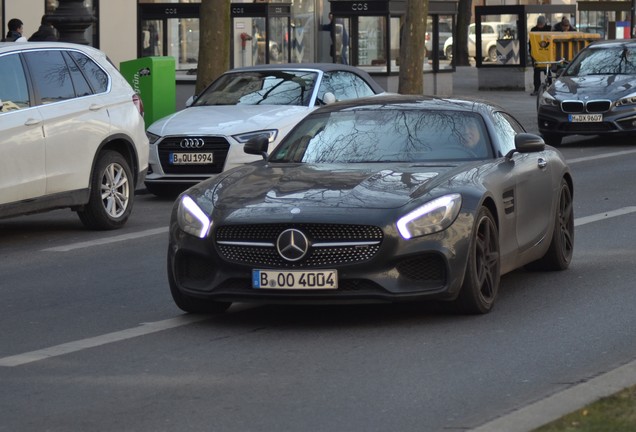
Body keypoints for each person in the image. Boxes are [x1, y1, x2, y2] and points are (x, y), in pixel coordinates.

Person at [529, 15, 552, 96]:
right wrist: (531, 55)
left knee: (548, 72)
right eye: (539, 24)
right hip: (537, 56)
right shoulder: (533, 30)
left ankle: (550, 88)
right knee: (536, 73)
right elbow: (531, 43)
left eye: (541, 24)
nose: (540, 26)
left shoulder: (549, 29)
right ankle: (536, 89)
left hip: (547, 56)